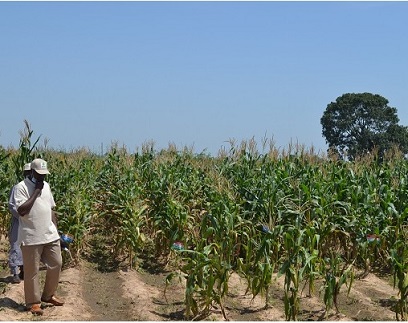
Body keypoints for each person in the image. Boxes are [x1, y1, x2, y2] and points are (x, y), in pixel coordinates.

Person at [12, 158, 64, 315]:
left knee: (57, 263)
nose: (42, 177)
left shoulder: (46, 186)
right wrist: (35, 191)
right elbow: (21, 211)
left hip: (49, 234)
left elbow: (51, 210)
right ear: (32, 172)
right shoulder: (20, 188)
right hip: (31, 236)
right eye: (39, 174)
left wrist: (56, 230)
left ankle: (48, 295)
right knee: (32, 271)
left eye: (44, 174)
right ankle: (33, 303)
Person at [8, 163, 32, 284]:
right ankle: (14, 273)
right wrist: (22, 216)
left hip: (30, 224)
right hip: (19, 222)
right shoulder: (17, 187)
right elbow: (12, 206)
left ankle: (24, 270)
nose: (29, 175)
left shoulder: (34, 188)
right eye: (27, 172)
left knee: (27, 247)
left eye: (31, 172)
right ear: (24, 173)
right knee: (16, 247)